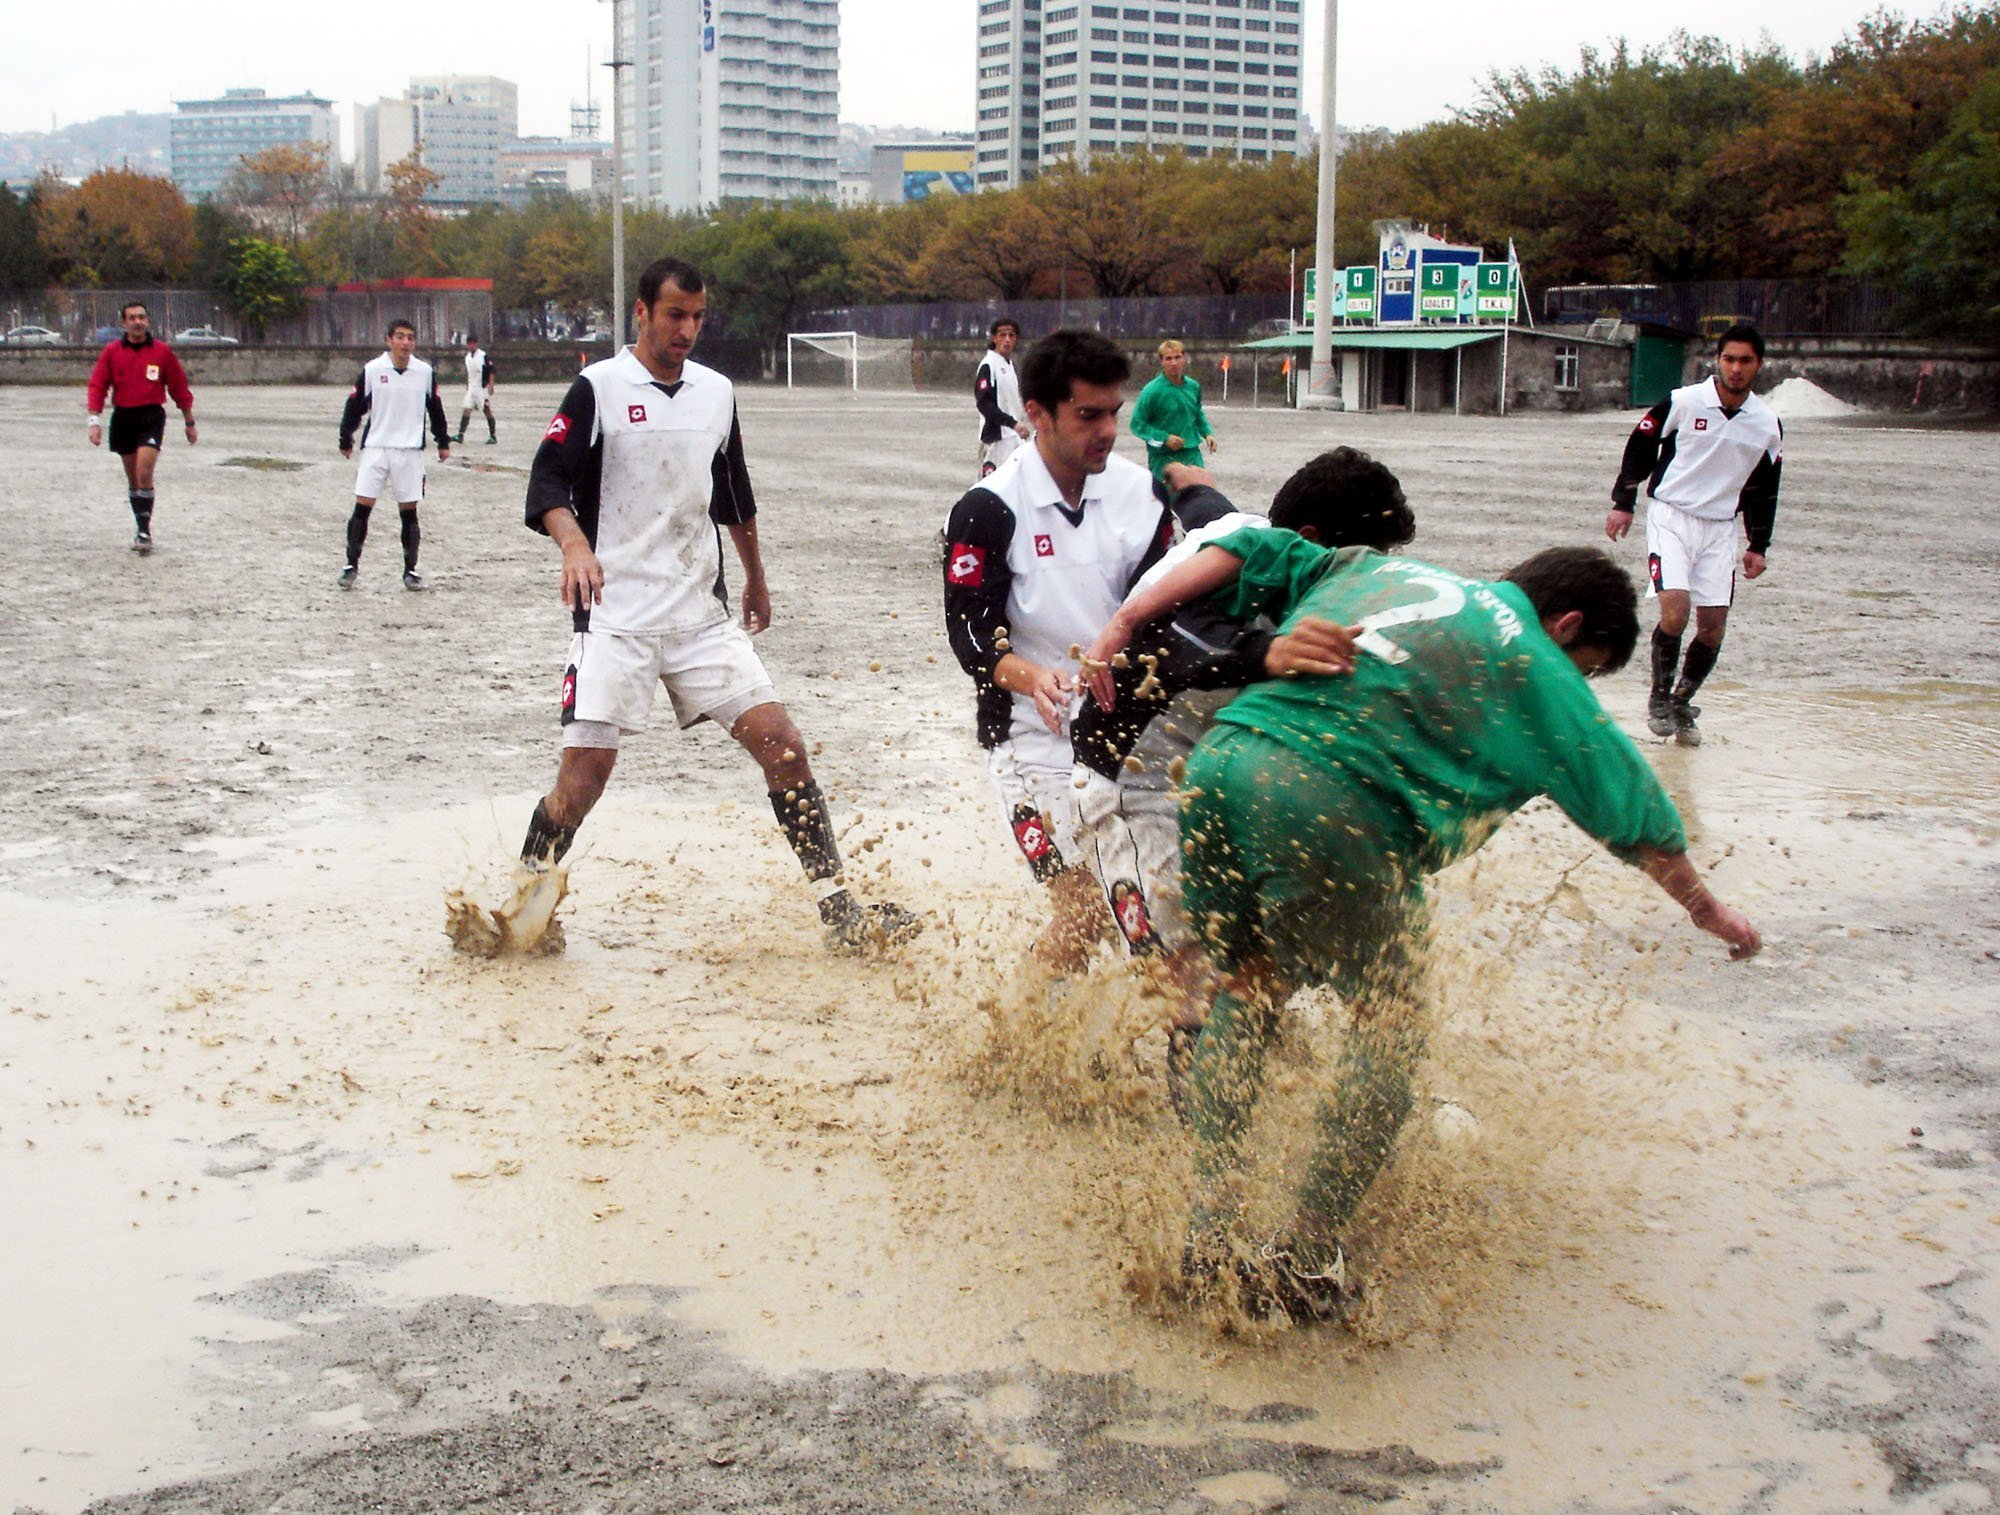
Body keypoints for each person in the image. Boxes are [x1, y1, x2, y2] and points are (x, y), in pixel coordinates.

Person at [1085, 538, 1761, 1322]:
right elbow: (1623, 790)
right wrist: (1707, 908)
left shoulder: (1375, 568)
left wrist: (1124, 618)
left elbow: (1246, 547)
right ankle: (1307, 1256)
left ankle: (1209, 1237)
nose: (1572, 681)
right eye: (1585, 665)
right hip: (1328, 796)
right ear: (1565, 624)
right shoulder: (1531, 656)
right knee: (1391, 1023)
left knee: (1249, 984)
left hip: (1218, 768)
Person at [518, 255, 920, 953]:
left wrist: (755, 576)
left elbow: (734, 494)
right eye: (675, 314)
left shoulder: (716, 392)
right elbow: (546, 482)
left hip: (700, 618)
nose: (688, 329)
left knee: (784, 746)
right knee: (583, 781)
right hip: (616, 617)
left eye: (698, 316)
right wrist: (574, 546)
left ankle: (839, 911)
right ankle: (525, 902)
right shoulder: (598, 388)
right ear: (641, 312)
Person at [1070, 450, 1414, 1089]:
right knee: (1192, 977)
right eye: (1359, 560)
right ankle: (1189, 1159)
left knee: (1250, 959)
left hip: (1209, 780)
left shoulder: (1234, 527)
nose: (1365, 579)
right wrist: (1269, 653)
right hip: (1127, 782)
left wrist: (1174, 469)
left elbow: (1196, 492)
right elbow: (1181, 645)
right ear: (1309, 541)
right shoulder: (1235, 570)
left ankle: (1229, 1079)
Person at [943, 327, 1172, 969]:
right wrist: (1030, 676)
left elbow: (1168, 609)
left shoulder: (1142, 496)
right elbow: (967, 631)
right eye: (1087, 415)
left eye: (1113, 414)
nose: (1106, 431)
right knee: (1086, 911)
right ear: (1037, 414)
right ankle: (1021, 1052)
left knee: (1156, 910)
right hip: (1028, 741)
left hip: (1122, 735)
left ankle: (1119, 1042)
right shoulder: (987, 509)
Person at [1606, 322, 1783, 747]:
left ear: (1758, 365)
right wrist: (1624, 502)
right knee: (1675, 613)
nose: (1736, 368)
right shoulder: (1685, 402)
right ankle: (1658, 697)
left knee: (1712, 628)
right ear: (1717, 361)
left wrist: (1758, 544)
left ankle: (1683, 700)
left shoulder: (1766, 424)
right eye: (1729, 359)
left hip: (1720, 529)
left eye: (1745, 361)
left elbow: (1765, 487)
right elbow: (1640, 444)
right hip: (1672, 517)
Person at [337, 319, 450, 590]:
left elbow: (435, 407)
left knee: (408, 512)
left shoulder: (423, 372)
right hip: (377, 448)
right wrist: (346, 436)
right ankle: (351, 564)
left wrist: (442, 440)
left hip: (409, 451)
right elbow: (355, 405)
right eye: (400, 337)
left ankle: (410, 570)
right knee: (362, 506)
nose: (405, 343)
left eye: (410, 338)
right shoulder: (373, 370)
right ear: (389, 340)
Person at [86, 301, 196, 554]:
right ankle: (141, 526)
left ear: (148, 321)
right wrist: (94, 422)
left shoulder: (161, 352)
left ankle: (145, 532)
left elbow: (179, 387)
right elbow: (97, 386)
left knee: (144, 472)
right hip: (124, 417)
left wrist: (189, 422)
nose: (138, 322)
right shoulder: (112, 352)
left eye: (142, 317)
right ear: (124, 323)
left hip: (151, 417)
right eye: (132, 318)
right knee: (133, 478)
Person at [1128, 339, 1216, 486]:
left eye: (1177, 357)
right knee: (1168, 503)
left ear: (1184, 358)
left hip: (1192, 453)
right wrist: (1164, 438)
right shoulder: (1152, 391)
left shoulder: (1193, 386)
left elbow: (1197, 412)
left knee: (1198, 496)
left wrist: (1207, 433)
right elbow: (1137, 424)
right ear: (1161, 362)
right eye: (1168, 359)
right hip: (1164, 458)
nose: (1173, 363)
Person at [974, 317, 1030, 478]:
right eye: (1002, 335)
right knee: (989, 489)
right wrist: (1012, 423)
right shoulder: (988, 365)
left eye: (1011, 335)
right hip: (996, 438)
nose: (1007, 340)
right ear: (994, 338)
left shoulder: (1009, 365)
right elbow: (984, 403)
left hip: (1013, 438)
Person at [456, 333, 497, 445]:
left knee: (486, 410)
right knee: (466, 409)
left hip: (481, 388)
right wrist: (467, 387)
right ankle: (460, 434)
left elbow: (492, 370)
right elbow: (469, 373)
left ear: (476, 344)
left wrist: (491, 384)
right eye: (469, 344)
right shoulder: (467, 357)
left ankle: (493, 435)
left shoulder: (483, 356)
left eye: (473, 344)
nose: (471, 346)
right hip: (471, 387)